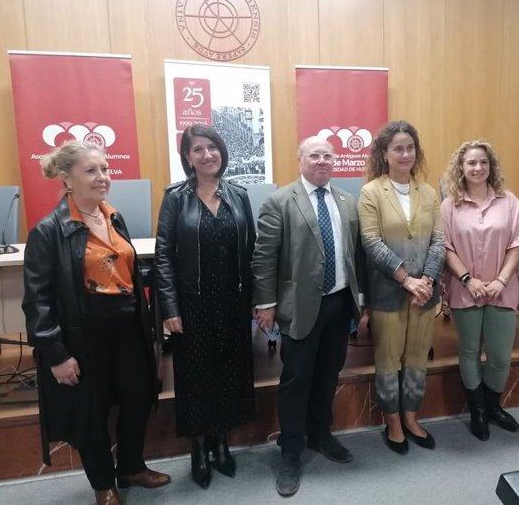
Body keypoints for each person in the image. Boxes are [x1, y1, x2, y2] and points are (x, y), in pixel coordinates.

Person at [22, 141, 170, 505]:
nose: (103, 177)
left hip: (129, 328)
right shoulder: (48, 231)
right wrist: (56, 354)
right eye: (91, 171)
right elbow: (37, 301)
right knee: (92, 412)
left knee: (138, 399)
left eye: (105, 169)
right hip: (83, 334)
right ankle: (103, 484)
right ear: (66, 178)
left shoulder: (113, 217)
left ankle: (132, 466)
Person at [252, 136, 363, 497]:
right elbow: (264, 258)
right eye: (314, 155)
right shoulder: (279, 201)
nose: (322, 160)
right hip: (298, 307)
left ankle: (320, 434)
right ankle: (290, 450)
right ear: (300, 160)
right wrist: (265, 304)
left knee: (328, 375)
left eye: (328, 155)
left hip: (338, 303)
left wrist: (359, 299)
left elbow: (354, 255)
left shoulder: (347, 201)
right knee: (295, 381)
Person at [154, 124, 256, 489]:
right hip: (192, 302)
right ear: (187, 157)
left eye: (212, 147)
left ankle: (221, 443)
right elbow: (163, 256)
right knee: (197, 377)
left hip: (233, 299)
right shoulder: (175, 198)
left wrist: (257, 301)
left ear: (222, 151)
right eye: (198, 149)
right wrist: (169, 307)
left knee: (229, 371)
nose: (207, 154)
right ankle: (198, 448)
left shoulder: (239, 195)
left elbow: (252, 252)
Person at [358, 120, 444, 455]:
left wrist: (427, 281)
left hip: (425, 294)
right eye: (398, 148)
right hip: (388, 294)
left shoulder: (429, 192)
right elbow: (371, 242)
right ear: (384, 152)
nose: (405, 153)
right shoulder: (370, 192)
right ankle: (392, 421)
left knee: (417, 360)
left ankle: (411, 417)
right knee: (388, 361)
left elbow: (438, 242)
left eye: (410, 148)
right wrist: (406, 279)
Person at [440, 140, 519, 441]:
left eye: (483, 162)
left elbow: (517, 244)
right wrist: (469, 279)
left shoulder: (509, 201)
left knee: (500, 355)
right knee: (469, 350)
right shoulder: (449, 206)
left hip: (501, 289)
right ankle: (477, 410)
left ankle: (493, 405)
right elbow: (445, 247)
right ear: (461, 168)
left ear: (490, 166)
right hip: (465, 288)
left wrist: (501, 281)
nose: (478, 168)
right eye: (471, 163)